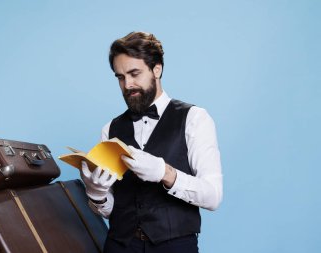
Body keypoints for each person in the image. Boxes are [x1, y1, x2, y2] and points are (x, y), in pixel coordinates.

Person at [79, 31, 223, 253]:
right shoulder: (110, 129)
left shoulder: (195, 118)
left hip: (175, 247)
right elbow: (110, 211)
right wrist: (97, 194)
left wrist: (165, 173)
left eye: (134, 73)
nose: (127, 84)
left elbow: (213, 196)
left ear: (157, 69)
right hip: (119, 246)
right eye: (120, 77)